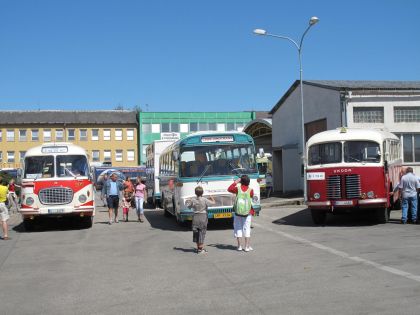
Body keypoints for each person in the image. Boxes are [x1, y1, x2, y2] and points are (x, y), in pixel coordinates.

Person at [228, 175, 255, 252]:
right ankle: (247, 247)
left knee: (238, 228)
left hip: (238, 212)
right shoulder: (251, 190)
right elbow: (251, 196)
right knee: (247, 229)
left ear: (241, 181)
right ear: (248, 182)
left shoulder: (237, 189)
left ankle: (239, 246)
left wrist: (236, 182)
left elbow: (229, 189)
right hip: (247, 212)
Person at [187, 186, 215, 254]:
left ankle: (198, 248)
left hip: (195, 217)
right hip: (203, 216)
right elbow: (213, 203)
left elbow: (189, 207)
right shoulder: (204, 199)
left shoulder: (193, 200)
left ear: (195, 193)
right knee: (202, 232)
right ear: (202, 192)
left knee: (196, 232)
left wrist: (189, 200)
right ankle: (200, 249)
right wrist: (212, 198)